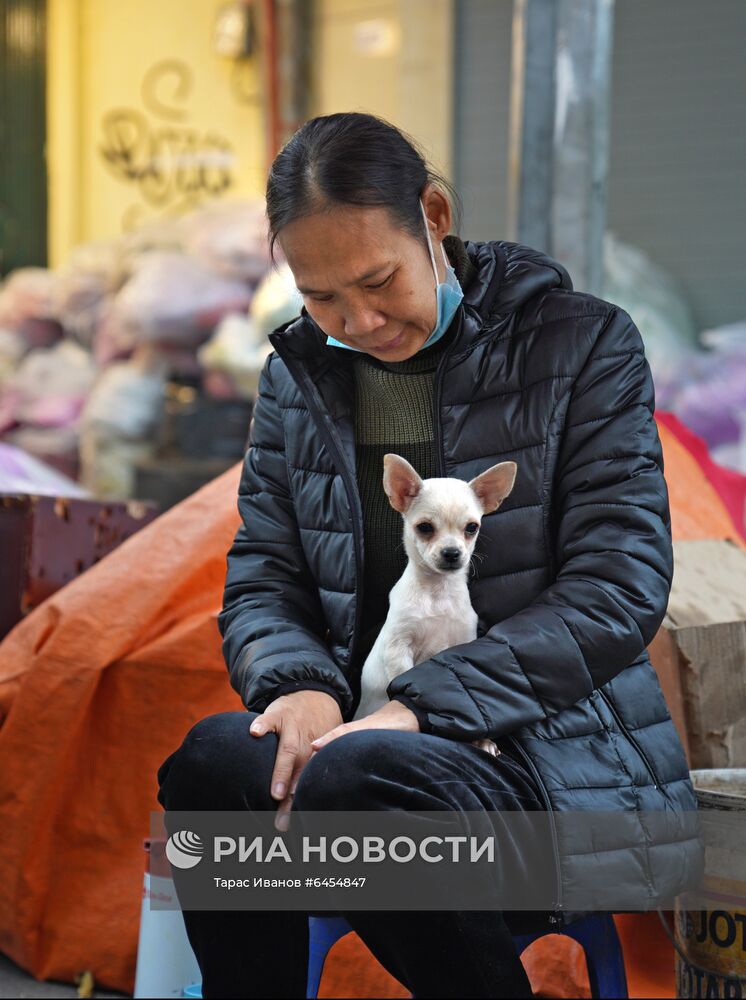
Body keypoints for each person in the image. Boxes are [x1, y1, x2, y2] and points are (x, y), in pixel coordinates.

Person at [157, 112, 702, 999]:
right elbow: (264, 574)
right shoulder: (298, 381)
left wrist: (415, 710)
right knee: (217, 764)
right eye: (321, 297)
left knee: (363, 782)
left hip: (553, 774)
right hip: (362, 751)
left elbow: (617, 590)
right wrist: (295, 682)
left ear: (435, 216)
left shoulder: (582, 345)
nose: (359, 321)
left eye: (379, 281)